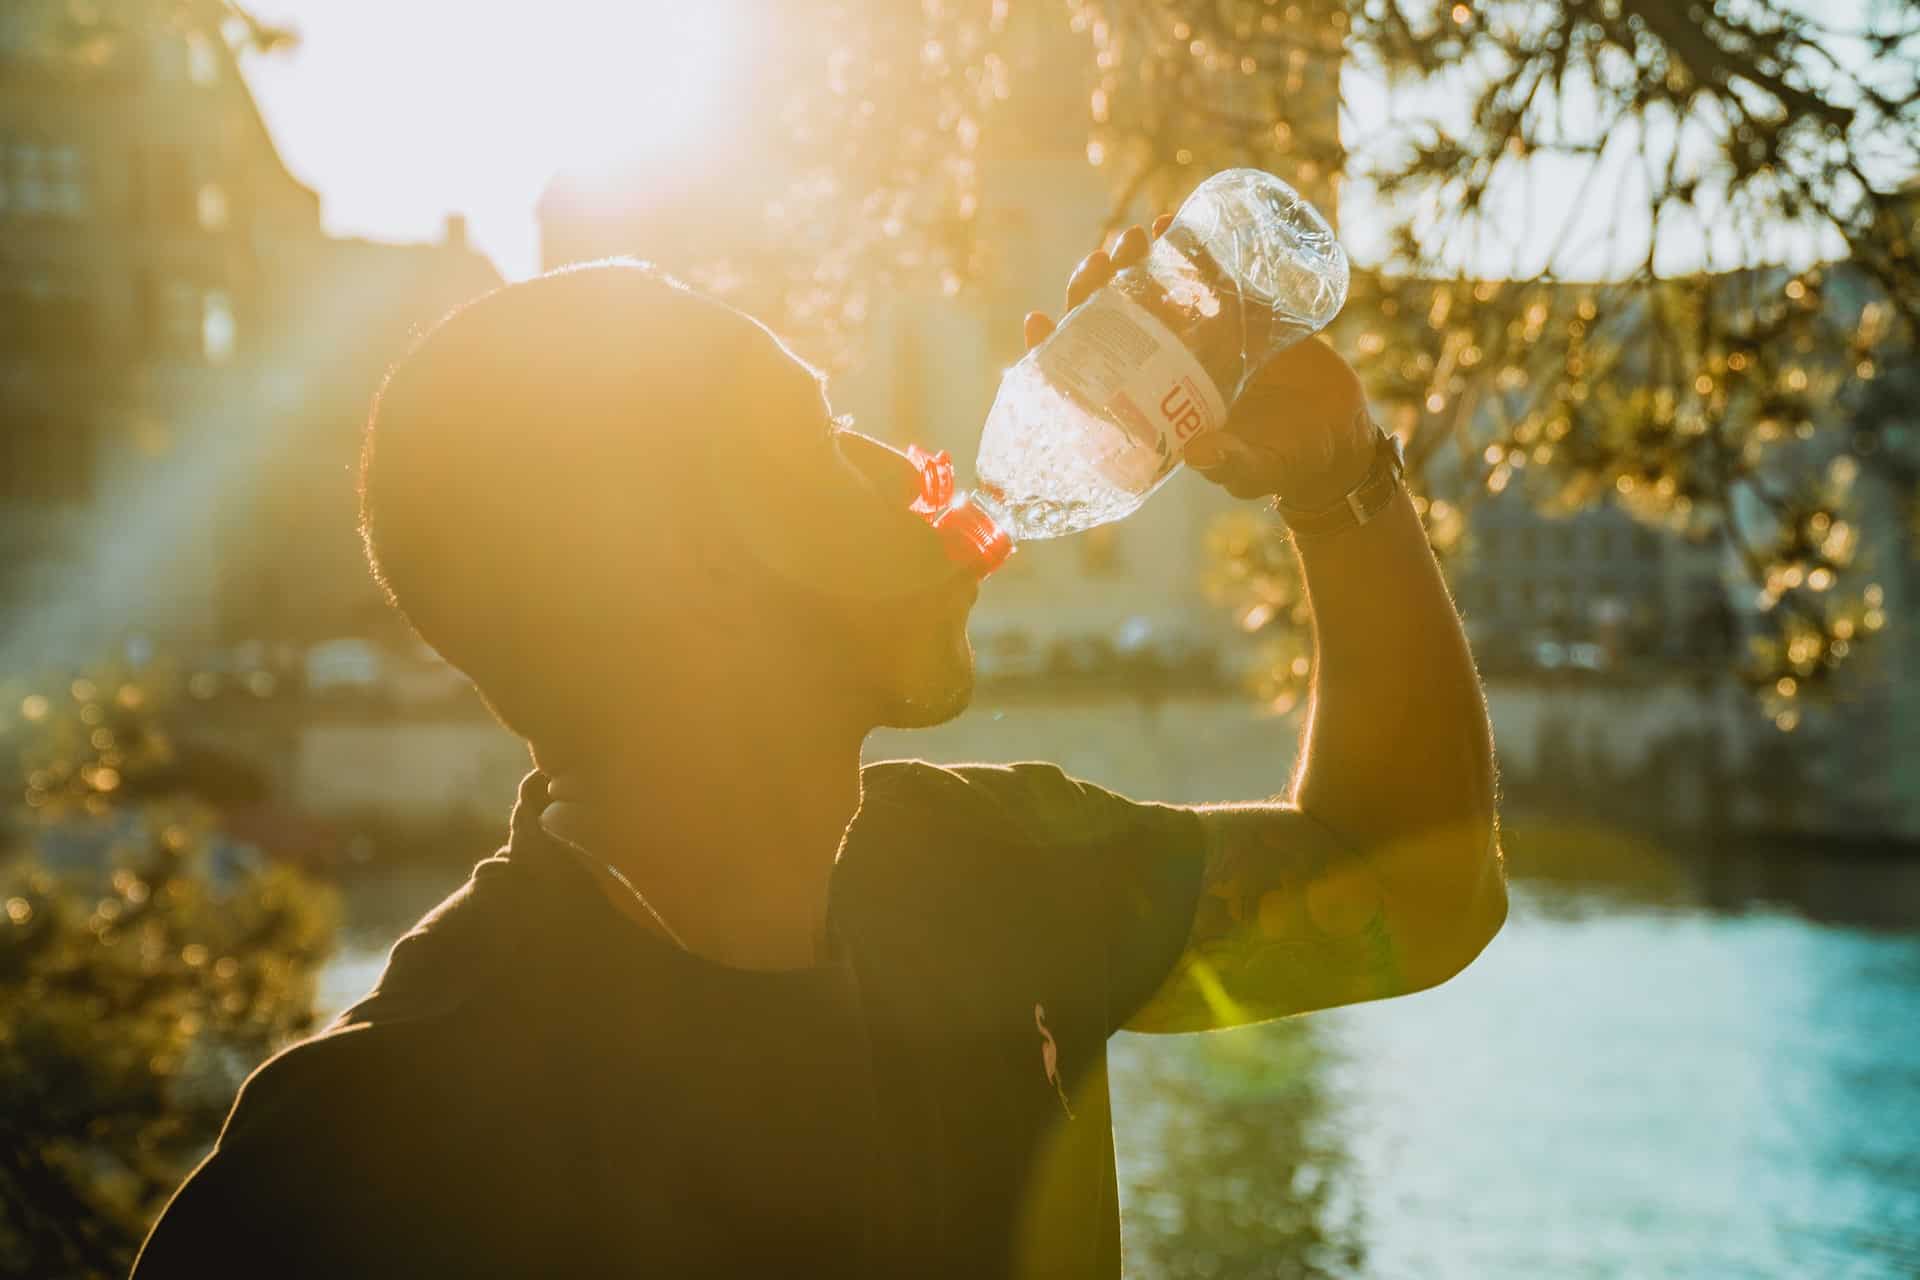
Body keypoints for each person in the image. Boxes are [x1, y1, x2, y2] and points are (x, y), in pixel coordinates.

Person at [132, 219, 1505, 1279]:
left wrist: (1341, 485)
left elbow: (1414, 888)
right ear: (680, 573)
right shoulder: (340, 1174)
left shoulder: (990, 873)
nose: (907, 460)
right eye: (810, 433)